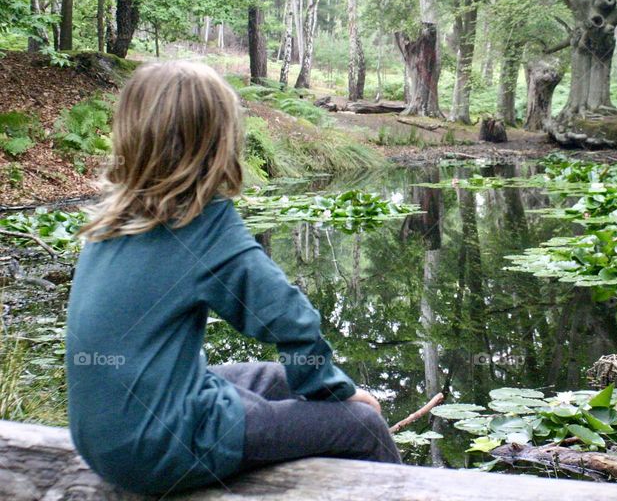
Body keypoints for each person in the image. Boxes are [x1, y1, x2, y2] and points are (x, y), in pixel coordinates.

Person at [66, 61, 399, 495]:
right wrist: (336, 392)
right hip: (161, 446)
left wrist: (318, 388)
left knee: (273, 380)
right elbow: (289, 318)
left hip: (101, 440)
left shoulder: (109, 222)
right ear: (219, 140)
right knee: (363, 424)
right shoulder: (203, 222)